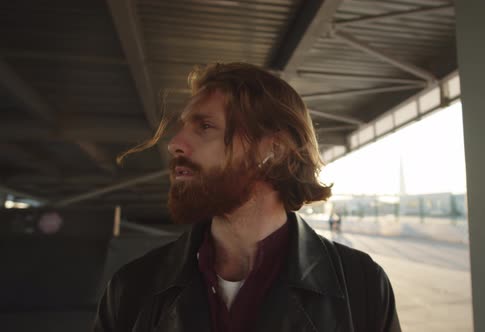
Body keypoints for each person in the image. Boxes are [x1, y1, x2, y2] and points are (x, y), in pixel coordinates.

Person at [94, 63, 402, 332]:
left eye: (204, 127)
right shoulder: (131, 288)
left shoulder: (361, 286)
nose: (176, 143)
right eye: (182, 128)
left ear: (274, 150)